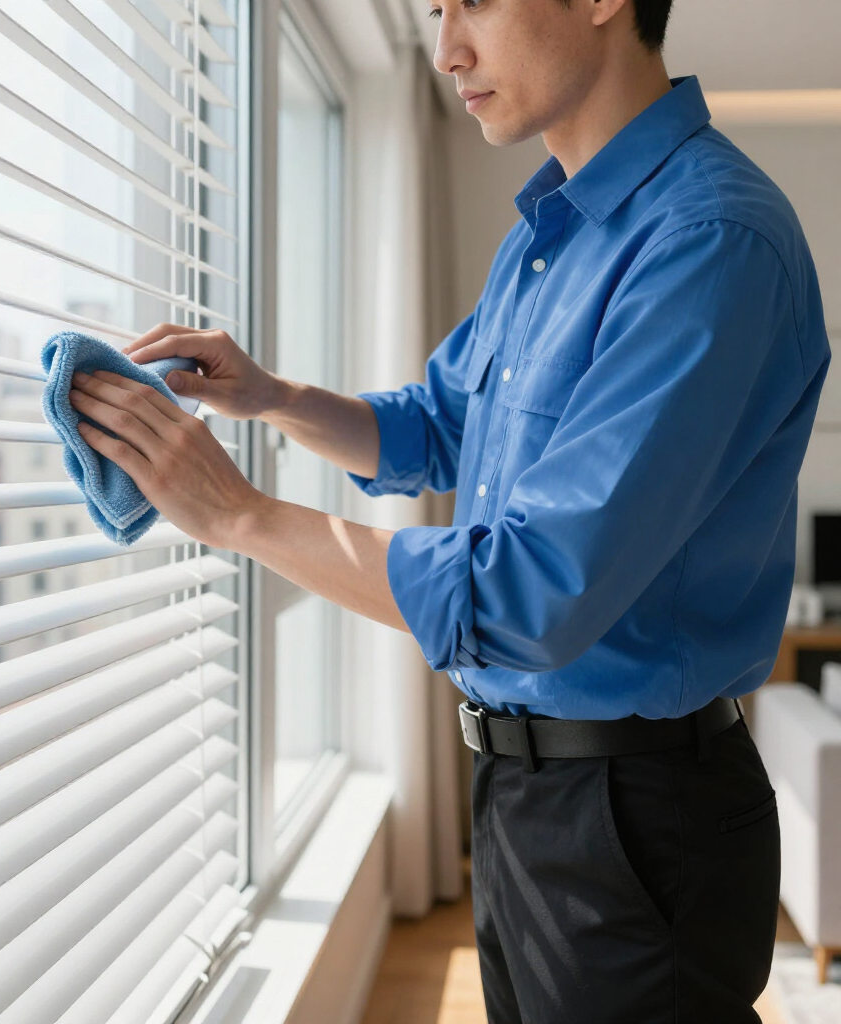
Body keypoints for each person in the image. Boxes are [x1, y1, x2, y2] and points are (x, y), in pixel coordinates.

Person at [66, 0, 831, 1020]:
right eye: (432, 11)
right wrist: (273, 397)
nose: (444, 49)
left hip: (639, 818)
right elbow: (441, 426)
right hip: (524, 795)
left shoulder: (709, 242)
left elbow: (526, 593)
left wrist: (239, 515)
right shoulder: (549, 235)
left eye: (471, 1)